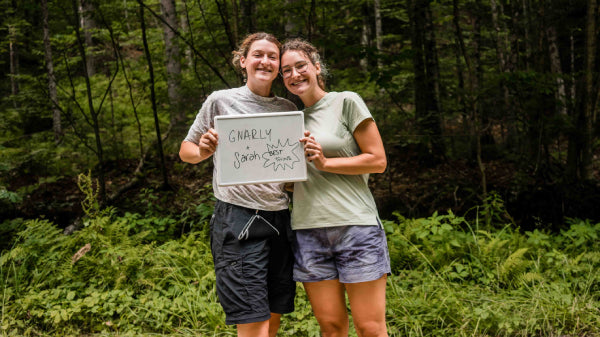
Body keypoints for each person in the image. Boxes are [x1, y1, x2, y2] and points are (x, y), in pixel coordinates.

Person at [179, 32, 296, 337]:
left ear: (279, 66)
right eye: (258, 54)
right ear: (243, 61)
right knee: (252, 318)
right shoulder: (221, 100)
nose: (265, 61)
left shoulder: (286, 109)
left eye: (273, 56)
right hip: (237, 217)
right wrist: (204, 150)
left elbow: (289, 172)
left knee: (271, 315)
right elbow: (186, 151)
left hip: (280, 216)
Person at [280, 38, 391, 337]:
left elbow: (377, 160)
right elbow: (294, 182)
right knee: (331, 328)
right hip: (308, 230)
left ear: (316, 67)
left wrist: (326, 163)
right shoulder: (288, 122)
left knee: (370, 328)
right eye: (286, 70)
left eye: (300, 66)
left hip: (355, 227)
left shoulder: (346, 101)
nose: (294, 75)